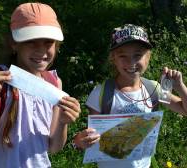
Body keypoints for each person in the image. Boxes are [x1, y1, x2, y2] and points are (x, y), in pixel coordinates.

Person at [73, 24, 187, 168]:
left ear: (148, 57)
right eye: (122, 56)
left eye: (137, 55)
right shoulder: (101, 93)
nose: (131, 62)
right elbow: (91, 137)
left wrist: (180, 87)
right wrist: (81, 141)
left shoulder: (154, 89)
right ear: (113, 58)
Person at [0, 2, 81, 168]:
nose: (41, 50)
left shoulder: (54, 83)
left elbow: (53, 148)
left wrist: (63, 123)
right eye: (31, 42)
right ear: (14, 43)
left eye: (48, 42)